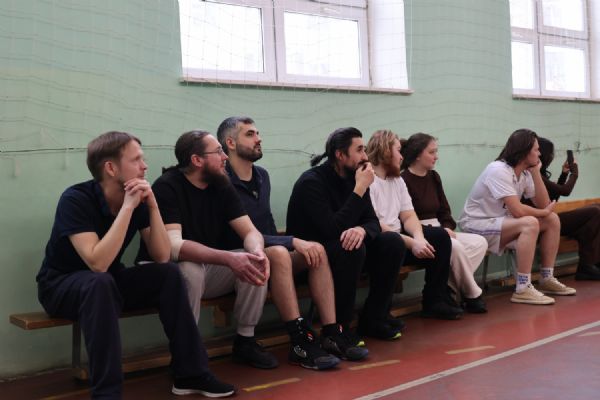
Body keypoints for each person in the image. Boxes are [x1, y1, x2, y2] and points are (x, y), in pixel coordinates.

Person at [36, 131, 234, 399]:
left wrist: (152, 207)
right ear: (111, 168)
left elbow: (162, 255)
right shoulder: (75, 199)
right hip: (61, 285)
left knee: (168, 273)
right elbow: (97, 263)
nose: (145, 166)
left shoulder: (137, 199)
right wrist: (128, 208)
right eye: (136, 160)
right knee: (100, 282)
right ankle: (107, 395)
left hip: (107, 282)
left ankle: (191, 373)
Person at [217, 116, 368, 368]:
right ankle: (300, 341)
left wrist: (292, 243)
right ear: (230, 143)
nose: (259, 138)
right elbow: (238, 234)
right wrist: (292, 240)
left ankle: (331, 332)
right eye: (250, 134)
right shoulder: (222, 180)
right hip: (239, 253)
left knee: (317, 250)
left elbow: (265, 225)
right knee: (279, 252)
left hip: (269, 248)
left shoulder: (261, 176)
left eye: (258, 133)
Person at [137, 130, 279, 371]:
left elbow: (250, 232)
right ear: (197, 160)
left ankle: (245, 341)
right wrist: (229, 258)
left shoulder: (221, 184)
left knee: (253, 262)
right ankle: (186, 352)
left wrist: (256, 250)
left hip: (206, 268)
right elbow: (173, 247)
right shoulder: (168, 186)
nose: (225, 157)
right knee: (190, 269)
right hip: (163, 269)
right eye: (219, 151)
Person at [287, 127, 406, 342]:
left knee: (392, 242)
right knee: (351, 248)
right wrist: (359, 189)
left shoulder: (355, 177)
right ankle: (341, 328)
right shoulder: (311, 183)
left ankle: (374, 318)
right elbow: (331, 230)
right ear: (340, 155)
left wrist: (361, 229)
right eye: (359, 150)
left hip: (344, 250)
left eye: (365, 150)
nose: (365, 156)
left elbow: (372, 221)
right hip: (312, 257)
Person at [458, 128, 576, 305]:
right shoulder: (498, 170)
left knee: (552, 220)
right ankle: (523, 287)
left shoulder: (525, 173)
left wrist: (535, 173)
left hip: (500, 224)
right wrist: (543, 213)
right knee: (530, 223)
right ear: (524, 151)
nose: (540, 153)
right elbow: (518, 211)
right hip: (476, 224)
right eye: (536, 149)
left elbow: (544, 204)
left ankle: (546, 278)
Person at [366, 130, 464, 319]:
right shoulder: (369, 181)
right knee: (392, 243)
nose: (402, 156)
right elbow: (375, 224)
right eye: (398, 150)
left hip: (400, 240)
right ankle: (378, 315)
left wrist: (419, 238)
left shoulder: (397, 180)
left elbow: (409, 215)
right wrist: (413, 243)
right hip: (381, 243)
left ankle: (434, 301)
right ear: (386, 152)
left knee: (440, 237)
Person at [400, 132, 488, 313]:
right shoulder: (403, 180)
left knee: (479, 242)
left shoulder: (434, 177)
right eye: (432, 152)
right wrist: (439, 232)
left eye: (436, 151)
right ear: (418, 155)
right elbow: (406, 219)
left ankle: (448, 287)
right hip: (420, 232)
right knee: (456, 247)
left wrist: (446, 227)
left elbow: (444, 211)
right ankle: (472, 294)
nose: (436, 156)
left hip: (440, 229)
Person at [536, 137, 600, 280]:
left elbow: (552, 198)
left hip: (547, 218)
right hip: (540, 222)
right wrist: (574, 173)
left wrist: (564, 173)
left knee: (595, 212)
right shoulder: (533, 173)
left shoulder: (539, 173)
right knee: (595, 212)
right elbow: (565, 191)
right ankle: (587, 266)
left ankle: (590, 264)